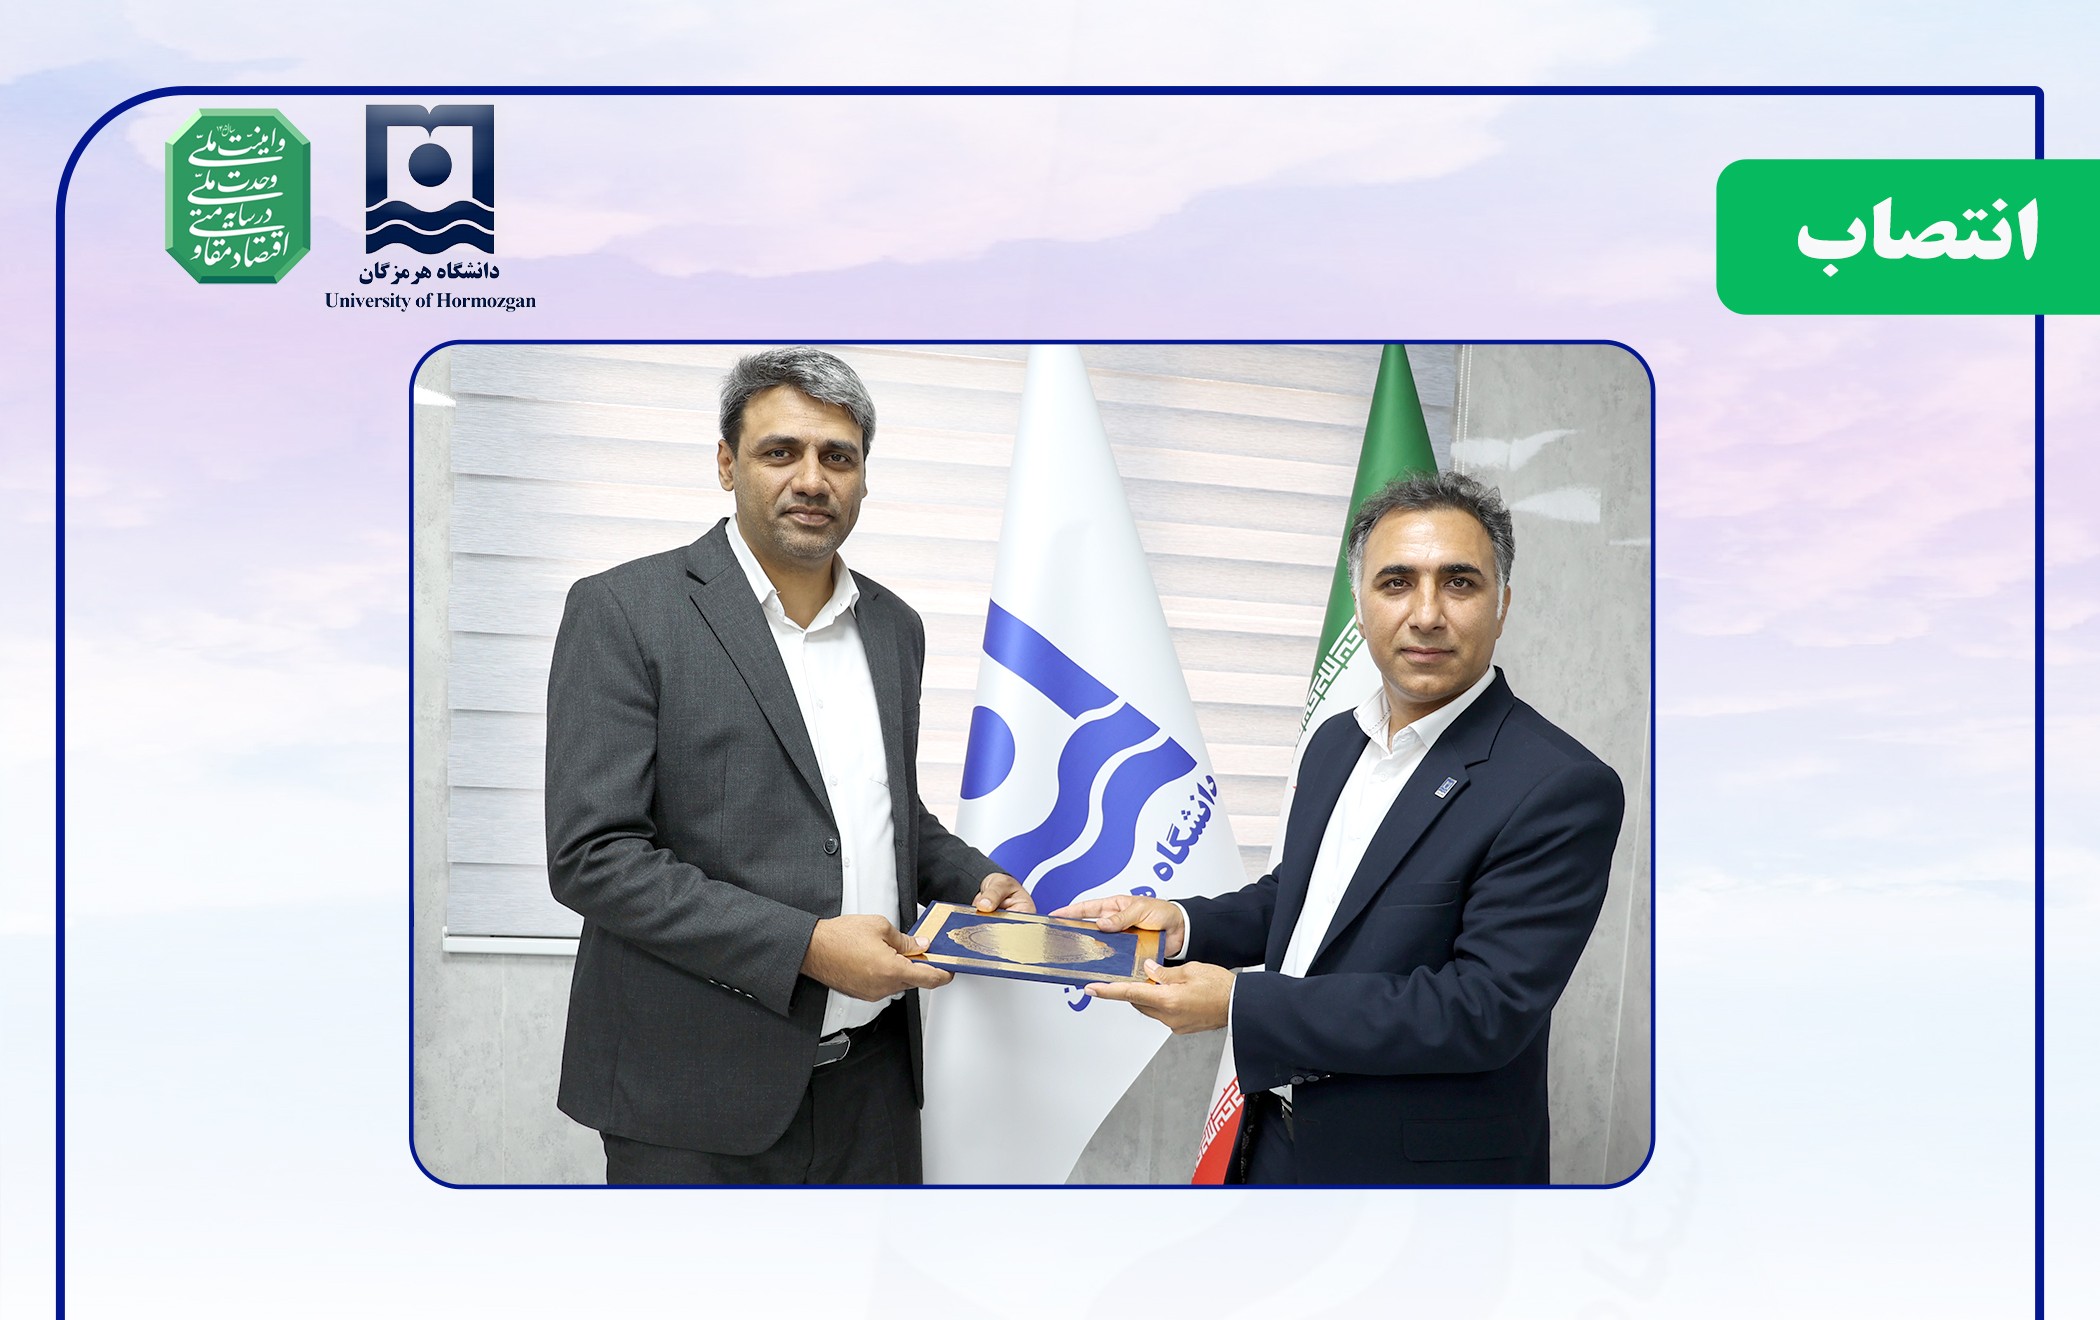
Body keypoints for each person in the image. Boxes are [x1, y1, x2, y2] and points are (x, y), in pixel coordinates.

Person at [544, 347, 1029, 1185]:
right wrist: (806, 946)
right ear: (726, 464)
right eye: (781, 452)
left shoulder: (895, 627)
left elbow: (881, 811)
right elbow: (595, 857)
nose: (812, 479)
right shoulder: (624, 610)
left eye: (838, 456)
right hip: (690, 1095)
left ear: (864, 477)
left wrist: (975, 879)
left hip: (874, 1090)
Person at [1060, 471, 1624, 1185]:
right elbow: (1305, 900)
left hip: (1418, 1179)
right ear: (1359, 604)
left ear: (1502, 604)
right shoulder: (1336, 740)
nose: (1426, 614)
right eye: (1396, 583)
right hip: (1271, 1138)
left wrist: (1239, 1004)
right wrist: (1182, 925)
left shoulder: (1559, 785)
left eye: (1459, 583)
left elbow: (1481, 1009)